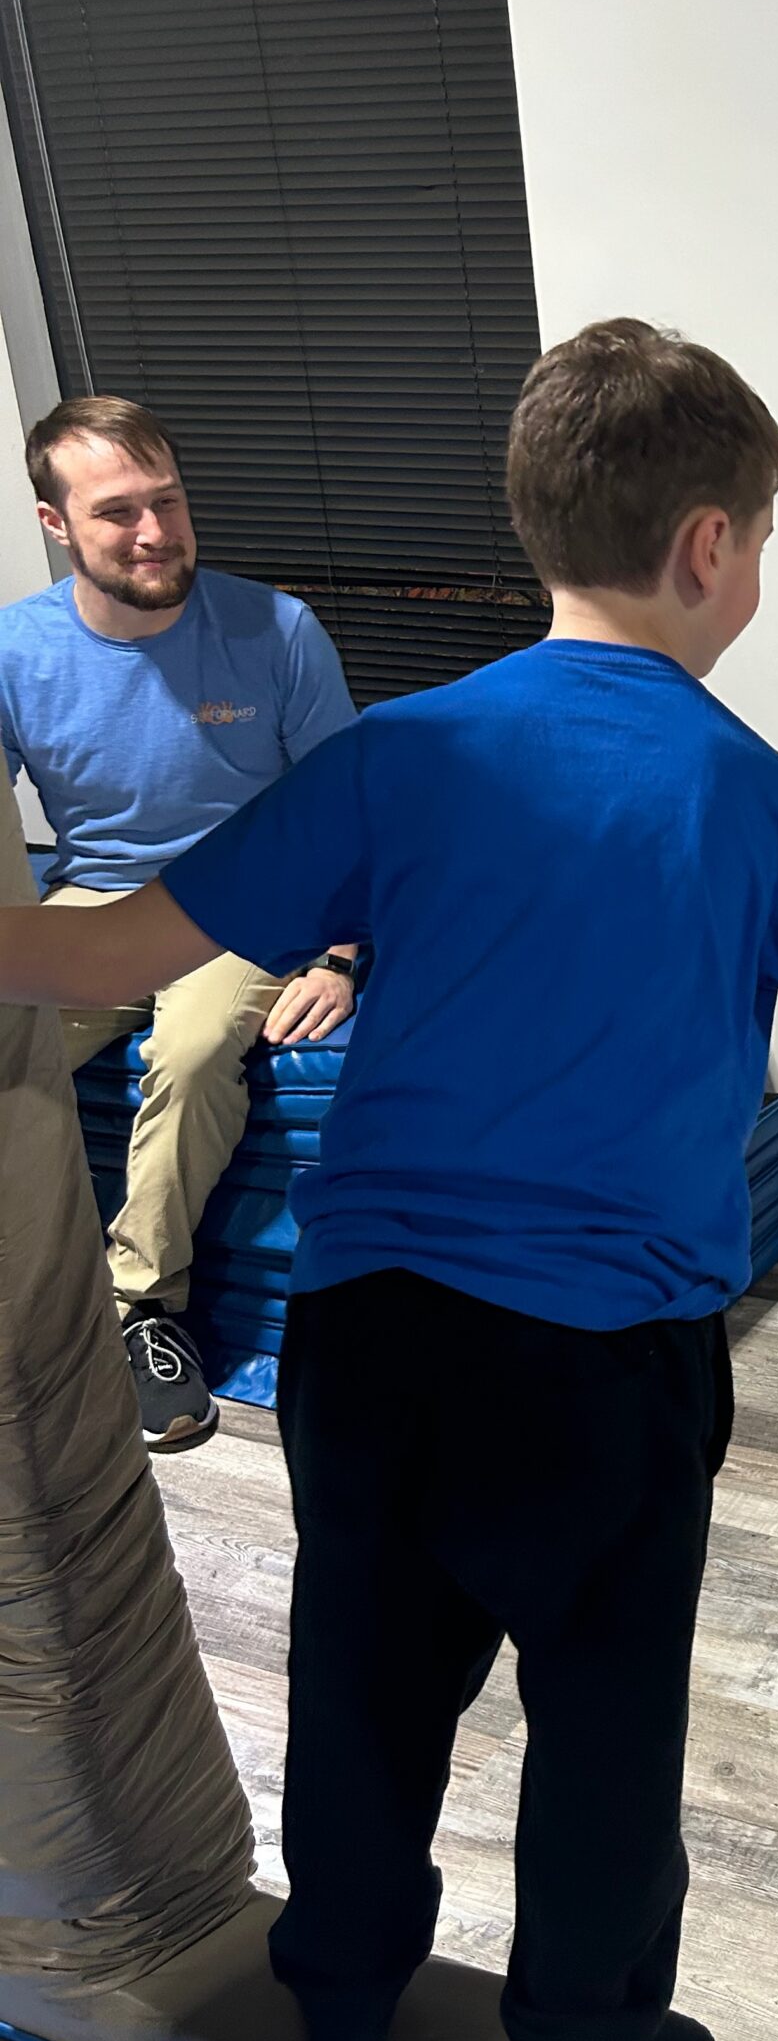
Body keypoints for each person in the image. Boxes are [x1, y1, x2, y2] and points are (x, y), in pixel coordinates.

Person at [0, 321, 778, 2041]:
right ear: (712, 548)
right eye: (764, 542)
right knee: (602, 1727)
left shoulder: (399, 752)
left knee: (362, 1695)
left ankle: (338, 1999)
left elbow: (101, 956)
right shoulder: (758, 795)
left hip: (371, 1339)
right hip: (603, 1366)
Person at [0, 398, 360, 1452]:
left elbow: (347, 810)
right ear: (56, 523)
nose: (156, 531)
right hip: (96, 902)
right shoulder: (16, 649)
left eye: (168, 501)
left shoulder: (277, 630)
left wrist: (341, 959)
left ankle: (140, 1310)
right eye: (119, 512)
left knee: (196, 1052)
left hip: (240, 903)